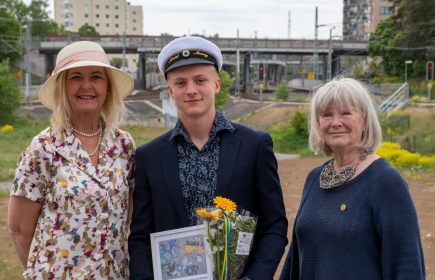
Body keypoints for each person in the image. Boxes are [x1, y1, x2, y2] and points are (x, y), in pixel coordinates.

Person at [129, 36, 288, 280]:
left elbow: (274, 225)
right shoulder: (149, 156)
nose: (191, 90)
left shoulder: (255, 145)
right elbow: (140, 236)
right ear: (170, 90)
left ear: (216, 84)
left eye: (200, 80)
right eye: (180, 83)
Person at [8, 41, 136, 279]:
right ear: (62, 87)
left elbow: (126, 218)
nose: (86, 86)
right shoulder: (43, 148)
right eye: (76, 77)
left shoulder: (124, 145)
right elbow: (19, 231)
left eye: (96, 76)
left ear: (107, 86)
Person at [279, 77, 425, 279]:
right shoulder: (314, 178)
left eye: (346, 113)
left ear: (365, 121)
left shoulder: (386, 182)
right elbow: (295, 260)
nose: (336, 122)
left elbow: (406, 266)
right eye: (327, 115)